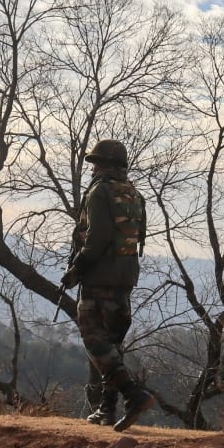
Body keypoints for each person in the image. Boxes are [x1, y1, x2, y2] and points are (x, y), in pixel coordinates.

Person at [62, 139, 154, 432]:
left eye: (97, 163)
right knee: (112, 343)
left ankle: (133, 395)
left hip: (99, 277)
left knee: (94, 339)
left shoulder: (99, 192)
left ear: (106, 165)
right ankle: (107, 408)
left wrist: (77, 269)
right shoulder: (134, 194)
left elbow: (97, 238)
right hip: (125, 277)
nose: (93, 169)